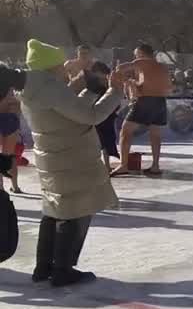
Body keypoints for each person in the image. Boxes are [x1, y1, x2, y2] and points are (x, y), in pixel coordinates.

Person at [18, 40, 124, 287]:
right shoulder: (51, 90)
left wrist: (88, 89)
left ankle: (43, 266)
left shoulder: (34, 90)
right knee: (74, 212)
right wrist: (115, 91)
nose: (65, 71)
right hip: (69, 158)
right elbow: (92, 116)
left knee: (53, 211)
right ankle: (63, 270)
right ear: (50, 68)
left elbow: (69, 110)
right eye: (60, 66)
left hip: (53, 157)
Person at [112, 43, 171, 177]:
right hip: (160, 101)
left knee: (125, 132)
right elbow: (168, 87)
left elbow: (121, 68)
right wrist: (137, 83)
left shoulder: (142, 62)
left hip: (145, 101)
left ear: (142, 54)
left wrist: (124, 79)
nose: (135, 57)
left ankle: (123, 165)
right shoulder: (162, 67)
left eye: (136, 54)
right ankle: (155, 166)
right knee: (155, 134)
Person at [84, 62, 120, 172]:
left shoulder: (108, 82)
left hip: (107, 115)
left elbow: (114, 99)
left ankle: (107, 165)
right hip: (96, 115)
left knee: (106, 141)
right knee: (98, 141)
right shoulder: (91, 83)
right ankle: (101, 165)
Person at [0, 76, 22, 194]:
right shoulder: (10, 87)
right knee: (9, 156)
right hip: (10, 119)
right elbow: (18, 105)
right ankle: (15, 186)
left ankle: (1, 189)